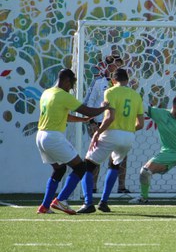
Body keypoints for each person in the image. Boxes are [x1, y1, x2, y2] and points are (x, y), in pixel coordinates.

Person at [36, 68, 110, 215]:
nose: (71, 88)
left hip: (40, 136)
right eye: (71, 85)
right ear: (66, 80)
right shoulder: (63, 95)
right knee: (81, 167)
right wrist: (104, 108)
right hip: (53, 137)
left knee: (59, 169)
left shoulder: (47, 93)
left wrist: (82, 120)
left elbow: (63, 116)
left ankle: (45, 206)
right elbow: (87, 110)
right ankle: (61, 200)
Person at [77, 68, 144, 213]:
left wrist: (97, 133)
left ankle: (88, 203)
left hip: (111, 133)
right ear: (127, 80)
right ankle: (104, 202)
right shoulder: (136, 96)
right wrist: (127, 130)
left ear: (113, 80)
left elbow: (110, 118)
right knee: (115, 165)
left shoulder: (110, 91)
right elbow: (140, 124)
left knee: (87, 165)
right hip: (129, 137)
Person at [84, 54, 130, 194]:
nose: (118, 68)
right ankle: (93, 187)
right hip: (100, 124)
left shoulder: (125, 87)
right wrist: (91, 121)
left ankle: (121, 187)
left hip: (117, 127)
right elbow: (89, 103)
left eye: (120, 65)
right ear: (109, 66)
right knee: (95, 158)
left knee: (119, 158)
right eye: (116, 65)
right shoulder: (98, 82)